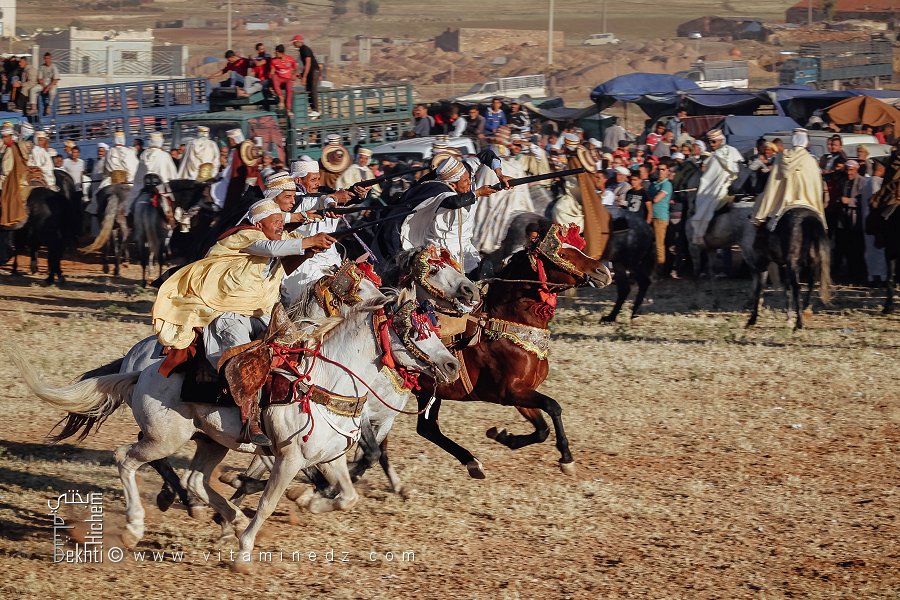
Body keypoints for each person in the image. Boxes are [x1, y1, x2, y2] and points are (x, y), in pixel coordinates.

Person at [151, 194, 335, 445]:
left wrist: (309, 249)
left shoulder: (275, 240)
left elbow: (282, 261)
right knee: (243, 361)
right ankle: (250, 421)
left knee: (296, 347)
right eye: (275, 221)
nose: (281, 225)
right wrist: (307, 241)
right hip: (230, 314)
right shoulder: (244, 236)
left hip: (261, 312)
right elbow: (271, 249)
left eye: (282, 221)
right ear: (259, 225)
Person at [752, 129, 826, 232]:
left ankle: (759, 230)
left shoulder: (782, 156)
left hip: (784, 201)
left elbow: (773, 184)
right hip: (808, 201)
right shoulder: (811, 160)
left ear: (793, 140)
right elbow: (815, 187)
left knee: (762, 199)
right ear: (805, 141)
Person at [690, 129, 742, 246]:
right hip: (730, 186)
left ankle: (702, 233)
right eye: (710, 142)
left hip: (722, 187)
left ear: (720, 140)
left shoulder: (716, 156)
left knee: (703, 200)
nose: (712, 145)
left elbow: (707, 177)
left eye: (713, 142)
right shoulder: (732, 151)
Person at [127, 131, 177, 215]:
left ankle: (128, 214)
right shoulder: (165, 155)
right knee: (176, 206)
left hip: (145, 188)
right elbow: (173, 175)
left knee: (131, 203)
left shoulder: (143, 154)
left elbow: (138, 176)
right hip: (161, 189)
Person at [649, 160, 673, 268]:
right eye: (658, 169)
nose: (660, 172)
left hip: (660, 217)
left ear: (667, 171)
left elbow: (656, 199)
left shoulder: (667, 184)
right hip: (651, 216)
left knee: (659, 244)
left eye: (663, 169)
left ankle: (660, 269)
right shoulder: (653, 184)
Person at [291, 34, 321, 117]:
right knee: (308, 89)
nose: (293, 44)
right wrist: (302, 74)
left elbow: (308, 63)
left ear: (298, 42)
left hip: (313, 71)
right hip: (311, 72)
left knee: (312, 89)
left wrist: (304, 77)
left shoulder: (304, 49)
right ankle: (314, 110)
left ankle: (316, 110)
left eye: (294, 42)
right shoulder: (301, 50)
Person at [270, 44, 298, 113]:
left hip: (288, 79)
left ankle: (288, 109)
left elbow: (295, 68)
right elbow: (272, 71)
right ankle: (281, 98)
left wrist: (294, 74)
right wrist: (270, 83)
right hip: (279, 78)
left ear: (281, 53)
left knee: (289, 90)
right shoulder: (274, 61)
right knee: (274, 77)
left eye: (276, 53)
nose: (275, 54)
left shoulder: (290, 59)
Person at [34, 52, 60, 117]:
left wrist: (48, 88)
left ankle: (49, 106)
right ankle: (33, 107)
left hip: (51, 85)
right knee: (33, 89)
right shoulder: (42, 67)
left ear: (51, 59)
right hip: (43, 84)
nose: (47, 60)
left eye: (48, 58)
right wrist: (44, 86)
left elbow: (55, 80)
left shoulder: (54, 67)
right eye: (45, 58)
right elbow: (40, 78)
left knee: (52, 92)